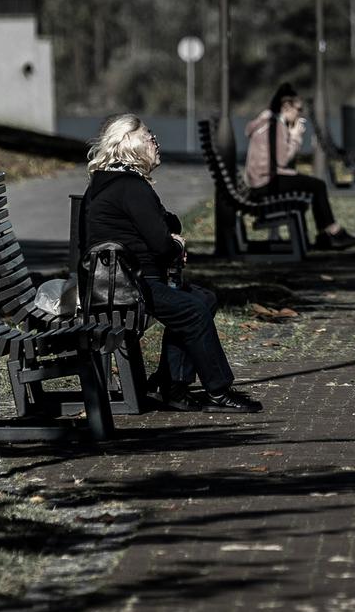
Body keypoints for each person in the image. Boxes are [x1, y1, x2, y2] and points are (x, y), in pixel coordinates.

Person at [81, 114, 263, 413]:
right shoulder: (129, 186)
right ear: (127, 142)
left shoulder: (112, 181)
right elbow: (161, 244)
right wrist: (176, 244)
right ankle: (218, 390)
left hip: (125, 282)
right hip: (128, 288)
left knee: (202, 298)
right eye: (149, 137)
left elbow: (158, 225)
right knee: (192, 310)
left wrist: (169, 236)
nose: (156, 142)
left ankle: (174, 386)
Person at [243, 83, 355, 250]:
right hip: (267, 183)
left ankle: (326, 233)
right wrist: (296, 136)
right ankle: (330, 231)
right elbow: (283, 160)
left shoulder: (265, 122)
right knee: (317, 185)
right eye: (298, 110)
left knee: (312, 185)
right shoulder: (276, 126)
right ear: (286, 106)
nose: (300, 114)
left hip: (261, 181)